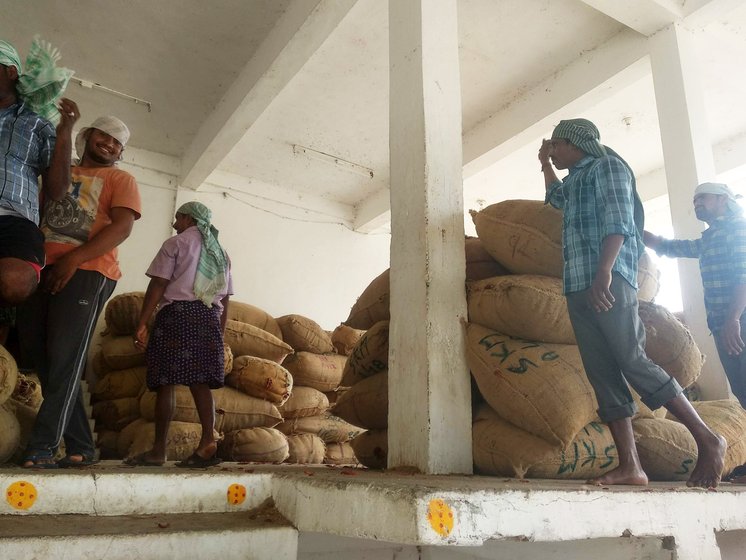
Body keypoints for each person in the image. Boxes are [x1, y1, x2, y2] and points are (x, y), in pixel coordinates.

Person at [539, 118, 726, 487]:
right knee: (602, 372)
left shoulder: (608, 167)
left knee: (631, 359)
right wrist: (545, 164)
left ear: (575, 142)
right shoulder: (576, 178)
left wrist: (604, 272)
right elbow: (555, 199)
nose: (553, 150)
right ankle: (631, 467)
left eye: (555, 146)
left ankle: (708, 438)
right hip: (578, 284)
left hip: (608, 280)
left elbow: (620, 222)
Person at [18, 115, 141, 468]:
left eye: (118, 143)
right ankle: (81, 445)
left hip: (89, 271)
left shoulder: (121, 179)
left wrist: (72, 261)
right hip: (42, 268)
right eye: (104, 136)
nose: (110, 145)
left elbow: (121, 229)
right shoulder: (59, 175)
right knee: (43, 359)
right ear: (88, 137)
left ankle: (43, 447)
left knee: (65, 359)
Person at [125, 201, 232, 468]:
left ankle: (158, 450)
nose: (175, 224)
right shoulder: (221, 253)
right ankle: (208, 440)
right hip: (208, 318)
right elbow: (226, 298)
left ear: (188, 218)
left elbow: (159, 283)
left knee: (165, 382)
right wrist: (220, 332)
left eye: (178, 219)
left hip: (177, 317)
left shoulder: (176, 244)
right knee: (201, 382)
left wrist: (142, 321)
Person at [644, 183, 746, 409]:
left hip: (738, 322)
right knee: (742, 391)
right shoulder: (711, 238)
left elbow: (744, 277)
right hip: (724, 325)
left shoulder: (738, 228)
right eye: (695, 201)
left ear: (723, 199)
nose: (697, 204)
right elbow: (671, 248)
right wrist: (634, 229)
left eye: (703, 198)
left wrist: (734, 319)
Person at [0, 38, 76, 306]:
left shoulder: (37, 125)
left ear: (10, 72)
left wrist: (65, 133)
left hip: (15, 216)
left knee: (15, 282)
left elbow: (57, 192)